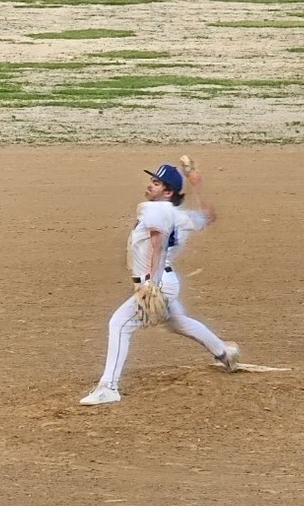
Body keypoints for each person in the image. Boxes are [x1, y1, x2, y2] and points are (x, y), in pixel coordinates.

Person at [80, 162, 240, 405]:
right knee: (178, 322)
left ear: (168, 193)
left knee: (120, 324)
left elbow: (158, 243)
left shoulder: (154, 211)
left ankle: (108, 387)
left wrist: (149, 283)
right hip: (166, 280)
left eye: (156, 183)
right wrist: (198, 185)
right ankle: (225, 353)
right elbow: (209, 216)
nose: (150, 185)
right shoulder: (180, 216)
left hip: (157, 281)